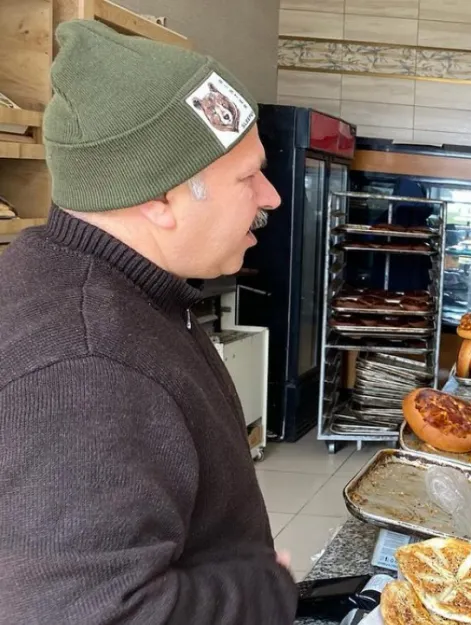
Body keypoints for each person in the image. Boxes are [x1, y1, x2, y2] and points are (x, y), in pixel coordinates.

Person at [0, 20, 296, 623]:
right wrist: (266, 590)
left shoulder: (107, 288)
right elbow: (87, 612)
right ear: (157, 198)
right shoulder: (88, 367)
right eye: (247, 177)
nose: (271, 198)